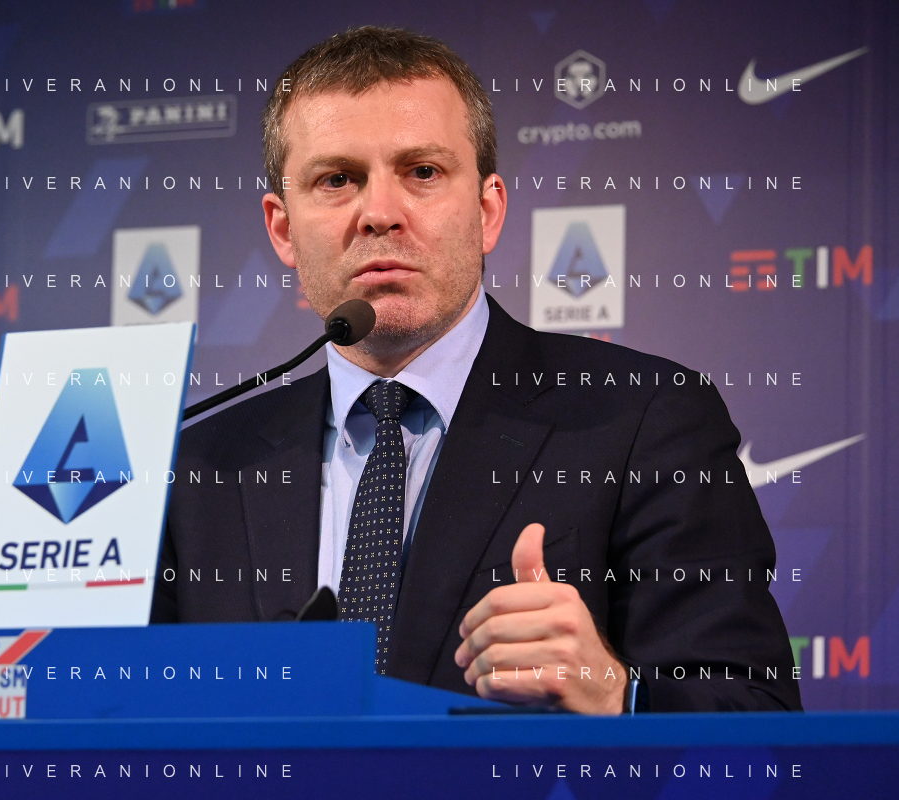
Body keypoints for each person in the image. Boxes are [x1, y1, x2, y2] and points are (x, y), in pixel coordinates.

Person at [151, 26, 802, 714]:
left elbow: (756, 718)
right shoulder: (194, 468)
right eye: (337, 179)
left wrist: (615, 693)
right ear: (283, 229)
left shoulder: (645, 421)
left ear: (488, 212)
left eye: (422, 172)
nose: (379, 214)